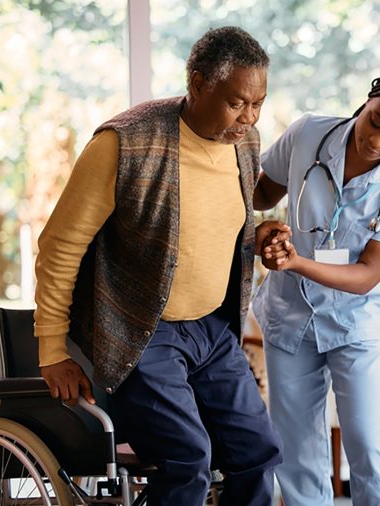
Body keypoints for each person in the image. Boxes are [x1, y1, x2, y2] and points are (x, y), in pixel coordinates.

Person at [33, 26, 284, 506]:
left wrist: (260, 235)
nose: (248, 118)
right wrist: (52, 349)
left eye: (259, 104)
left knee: (258, 452)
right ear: (197, 83)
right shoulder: (124, 143)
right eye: (237, 103)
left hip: (212, 330)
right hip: (143, 331)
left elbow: (204, 228)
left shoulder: (245, 144)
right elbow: (60, 245)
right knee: (187, 458)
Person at [252, 64, 380, 506]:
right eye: (375, 121)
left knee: (369, 444)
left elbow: (366, 274)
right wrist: (264, 230)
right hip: (290, 315)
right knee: (297, 450)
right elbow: (261, 193)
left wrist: (296, 261)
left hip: (359, 322)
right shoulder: (308, 135)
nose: (377, 141)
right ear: (368, 99)